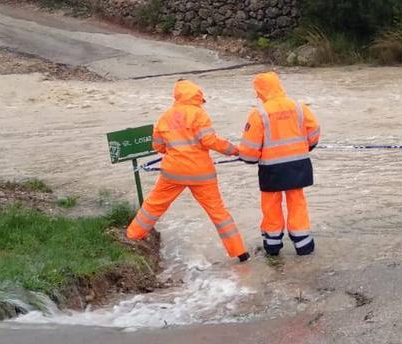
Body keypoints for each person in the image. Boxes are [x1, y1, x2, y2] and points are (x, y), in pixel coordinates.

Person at [126, 79, 250, 262]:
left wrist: (174, 151)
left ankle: (132, 236)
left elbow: (158, 146)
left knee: (154, 205)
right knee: (218, 213)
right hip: (201, 174)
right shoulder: (200, 115)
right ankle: (240, 252)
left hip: (172, 172)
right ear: (197, 96)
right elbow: (209, 141)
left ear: (177, 96)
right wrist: (234, 150)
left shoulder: (165, 116)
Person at [237, 72, 321, 256]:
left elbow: (249, 148)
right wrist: (305, 147)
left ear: (259, 91)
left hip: (271, 168)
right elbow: (314, 131)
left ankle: (273, 246)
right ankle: (303, 245)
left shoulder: (259, 113)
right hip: (299, 164)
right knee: (297, 201)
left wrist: (247, 158)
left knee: (271, 204)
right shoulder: (299, 107)